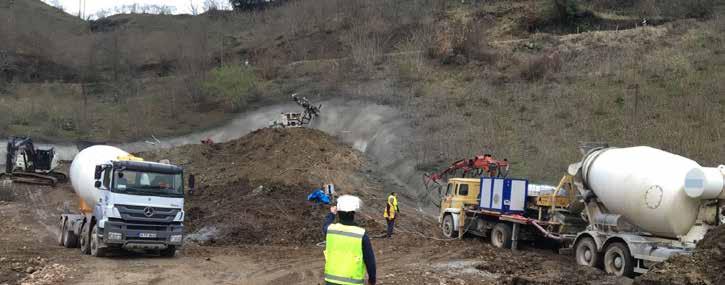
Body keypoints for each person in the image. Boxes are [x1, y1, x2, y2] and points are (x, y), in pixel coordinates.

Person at [323, 195, 376, 285]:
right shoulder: (361, 234)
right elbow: (370, 261)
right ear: (353, 214)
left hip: (331, 281)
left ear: (338, 212)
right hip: (353, 282)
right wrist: (372, 279)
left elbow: (325, 225)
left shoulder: (330, 230)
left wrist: (332, 214)